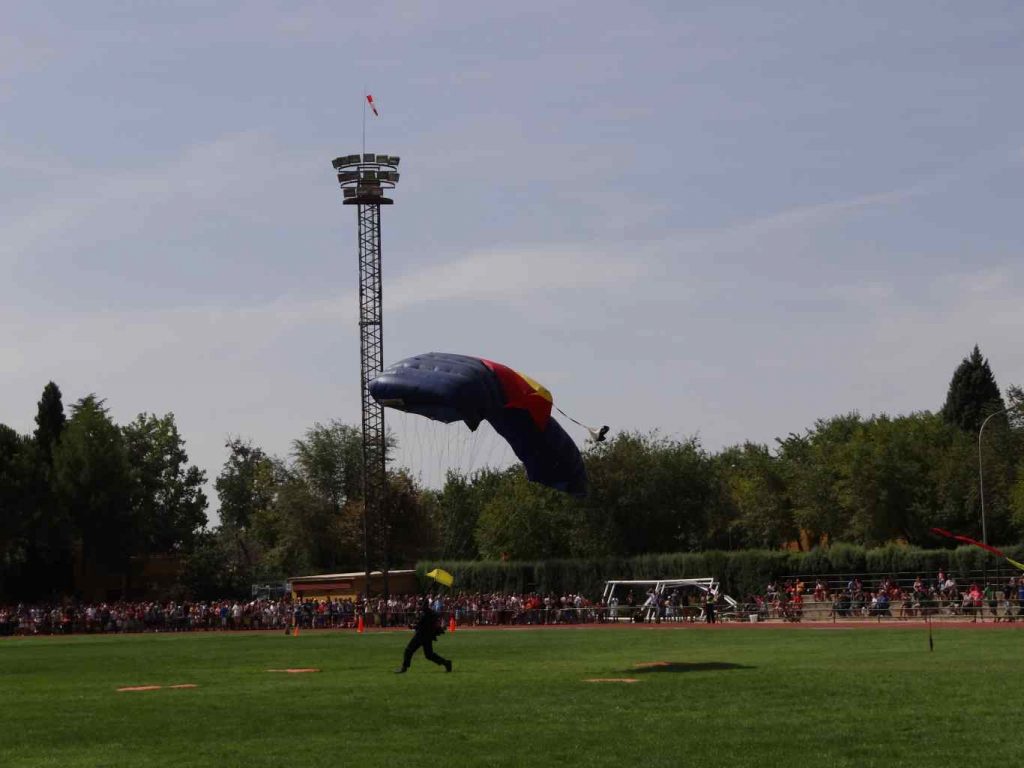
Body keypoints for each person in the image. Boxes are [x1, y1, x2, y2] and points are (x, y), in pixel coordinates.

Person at [395, 597, 452, 674]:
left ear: (424, 605)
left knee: (408, 650)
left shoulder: (425, 614)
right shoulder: (429, 612)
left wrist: (412, 625)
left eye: (420, 605)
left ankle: (404, 668)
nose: (418, 606)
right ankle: (447, 663)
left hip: (420, 636)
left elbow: (420, 625)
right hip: (427, 636)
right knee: (429, 655)